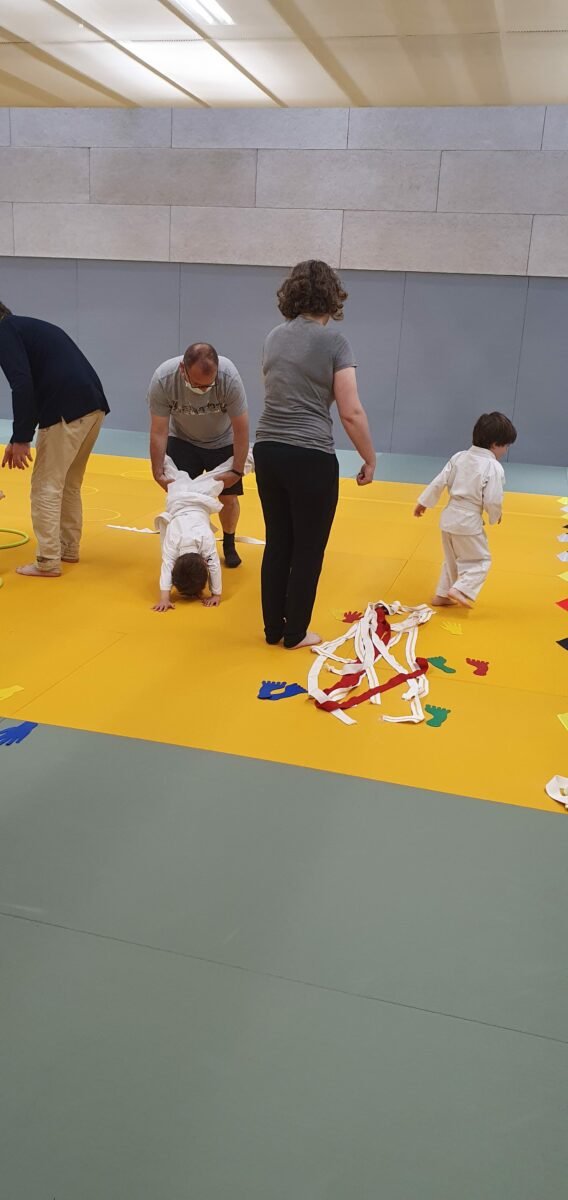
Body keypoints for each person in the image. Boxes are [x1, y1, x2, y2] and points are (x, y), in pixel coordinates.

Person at [253, 259, 376, 650]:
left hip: (267, 450)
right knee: (307, 548)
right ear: (332, 296)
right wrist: (369, 458)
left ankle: (273, 629)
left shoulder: (274, 337)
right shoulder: (335, 342)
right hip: (309, 455)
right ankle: (295, 632)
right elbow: (350, 411)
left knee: (278, 542)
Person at [0, 302, 109, 577]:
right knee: (69, 483)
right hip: (93, 407)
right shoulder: (28, 328)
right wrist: (18, 436)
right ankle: (68, 548)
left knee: (45, 487)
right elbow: (38, 385)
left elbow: (21, 384)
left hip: (66, 410)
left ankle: (47, 560)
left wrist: (22, 438)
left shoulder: (4, 331)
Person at [148, 342, 249, 570]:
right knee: (182, 499)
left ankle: (229, 542)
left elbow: (241, 429)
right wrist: (157, 471)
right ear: (182, 369)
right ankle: (186, 547)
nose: (203, 390)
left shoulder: (229, 377)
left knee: (229, 498)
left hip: (222, 440)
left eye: (208, 385)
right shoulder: (164, 379)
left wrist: (237, 470)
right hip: (183, 439)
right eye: (197, 384)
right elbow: (158, 430)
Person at [414, 411, 517, 608]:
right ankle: (461, 589)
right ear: (495, 444)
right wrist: (495, 515)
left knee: (451, 560)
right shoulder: (493, 466)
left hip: (448, 518)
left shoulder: (459, 457)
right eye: (506, 445)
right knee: (481, 560)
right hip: (468, 522)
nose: (505, 450)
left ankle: (442, 595)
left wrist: (424, 502)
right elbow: (493, 498)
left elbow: (439, 481)